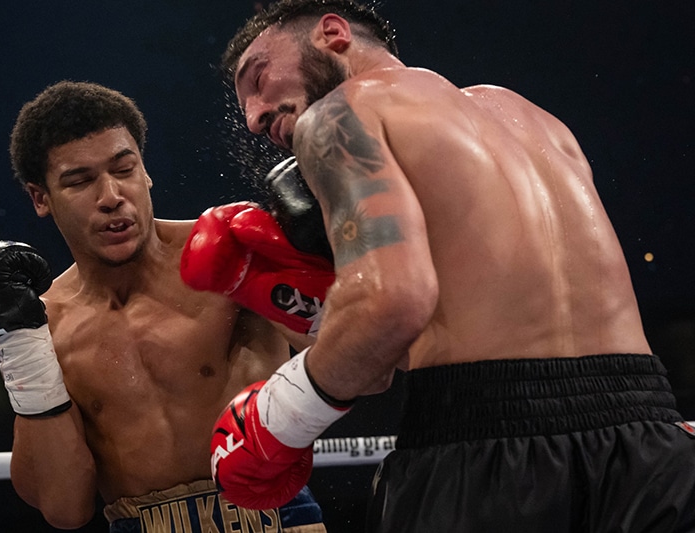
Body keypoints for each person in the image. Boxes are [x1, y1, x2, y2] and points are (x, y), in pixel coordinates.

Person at [202, 1, 695, 531]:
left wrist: (280, 415)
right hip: (651, 439)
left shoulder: (339, 115)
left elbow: (392, 302)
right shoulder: (526, 115)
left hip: (489, 453)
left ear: (332, 33)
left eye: (259, 76)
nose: (254, 115)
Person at [0, 80, 333, 532]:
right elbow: (65, 508)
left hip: (272, 515)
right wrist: (20, 351)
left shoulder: (230, 252)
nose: (111, 196)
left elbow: (349, 354)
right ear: (41, 198)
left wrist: (319, 250)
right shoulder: (41, 328)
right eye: (80, 181)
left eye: (124, 169)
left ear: (145, 171)